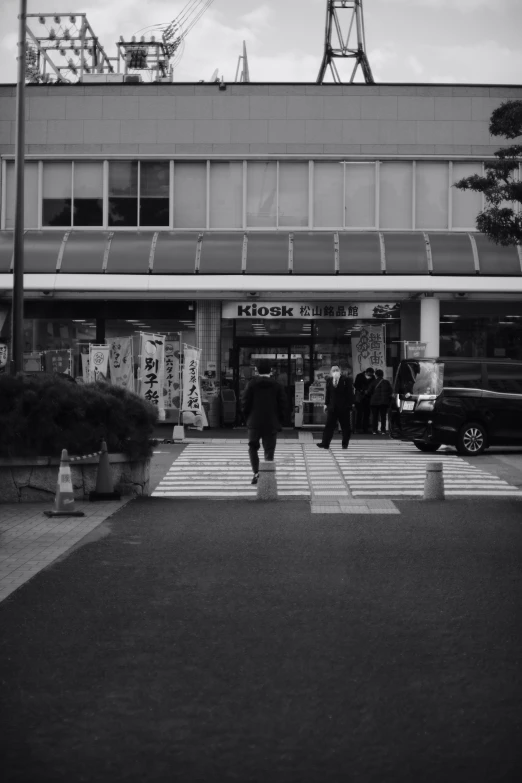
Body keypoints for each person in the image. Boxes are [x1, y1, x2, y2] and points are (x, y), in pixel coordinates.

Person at [241, 358, 287, 485]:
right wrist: (280, 421)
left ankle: (256, 473)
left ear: (256, 370)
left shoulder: (251, 384)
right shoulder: (277, 385)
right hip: (271, 422)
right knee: (269, 449)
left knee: (252, 447)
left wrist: (247, 418)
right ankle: (267, 477)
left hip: (254, 422)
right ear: (271, 370)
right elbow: (283, 405)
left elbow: (244, 403)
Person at [317, 365, 355, 450]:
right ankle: (325, 443)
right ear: (331, 372)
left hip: (344, 407)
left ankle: (345, 444)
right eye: (333, 370)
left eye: (336, 370)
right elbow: (328, 394)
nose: (335, 372)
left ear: (340, 371)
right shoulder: (329, 380)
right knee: (329, 426)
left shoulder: (346, 380)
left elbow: (350, 394)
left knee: (345, 427)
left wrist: (351, 404)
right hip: (332, 407)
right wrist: (326, 404)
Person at [368, 368, 393, 435]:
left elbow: (369, 391)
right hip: (384, 402)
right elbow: (390, 391)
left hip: (374, 402)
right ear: (382, 375)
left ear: (376, 375)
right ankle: (383, 430)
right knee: (383, 417)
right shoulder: (386, 382)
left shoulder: (373, 382)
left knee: (375, 417)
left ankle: (374, 430)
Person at [354, 366, 375, 433]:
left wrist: (368, 391)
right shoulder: (359, 376)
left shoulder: (373, 377)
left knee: (367, 413)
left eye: (371, 375)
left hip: (368, 397)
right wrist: (361, 390)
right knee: (359, 413)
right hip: (360, 397)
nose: (370, 376)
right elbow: (356, 385)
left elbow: (373, 386)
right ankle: (358, 428)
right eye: (369, 375)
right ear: (366, 372)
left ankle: (365, 428)